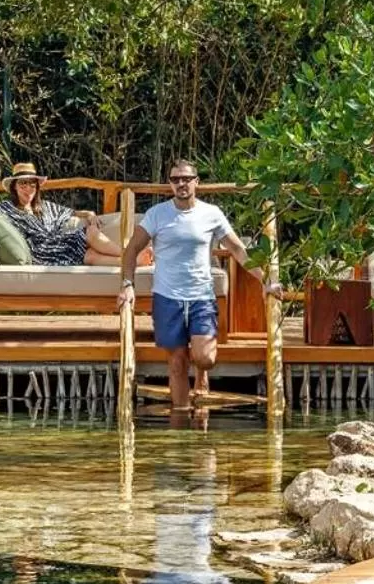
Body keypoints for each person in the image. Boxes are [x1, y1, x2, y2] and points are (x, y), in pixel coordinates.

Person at [117, 160, 281, 412]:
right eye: (175, 179)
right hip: (167, 297)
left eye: (186, 178)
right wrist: (127, 284)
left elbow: (237, 249)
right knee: (176, 362)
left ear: (196, 182)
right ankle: (181, 421)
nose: (181, 183)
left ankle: (202, 372)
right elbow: (131, 251)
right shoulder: (157, 214)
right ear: (170, 184)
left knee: (205, 358)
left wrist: (267, 279)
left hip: (201, 296)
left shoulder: (211, 213)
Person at [0, 161, 122, 266]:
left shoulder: (45, 207)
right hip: (39, 253)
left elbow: (72, 212)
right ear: (14, 187)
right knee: (91, 232)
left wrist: (89, 214)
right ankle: (127, 255)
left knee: (91, 256)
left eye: (32, 184)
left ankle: (133, 262)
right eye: (23, 183)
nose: (28, 188)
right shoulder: (7, 208)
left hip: (58, 248)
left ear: (37, 187)